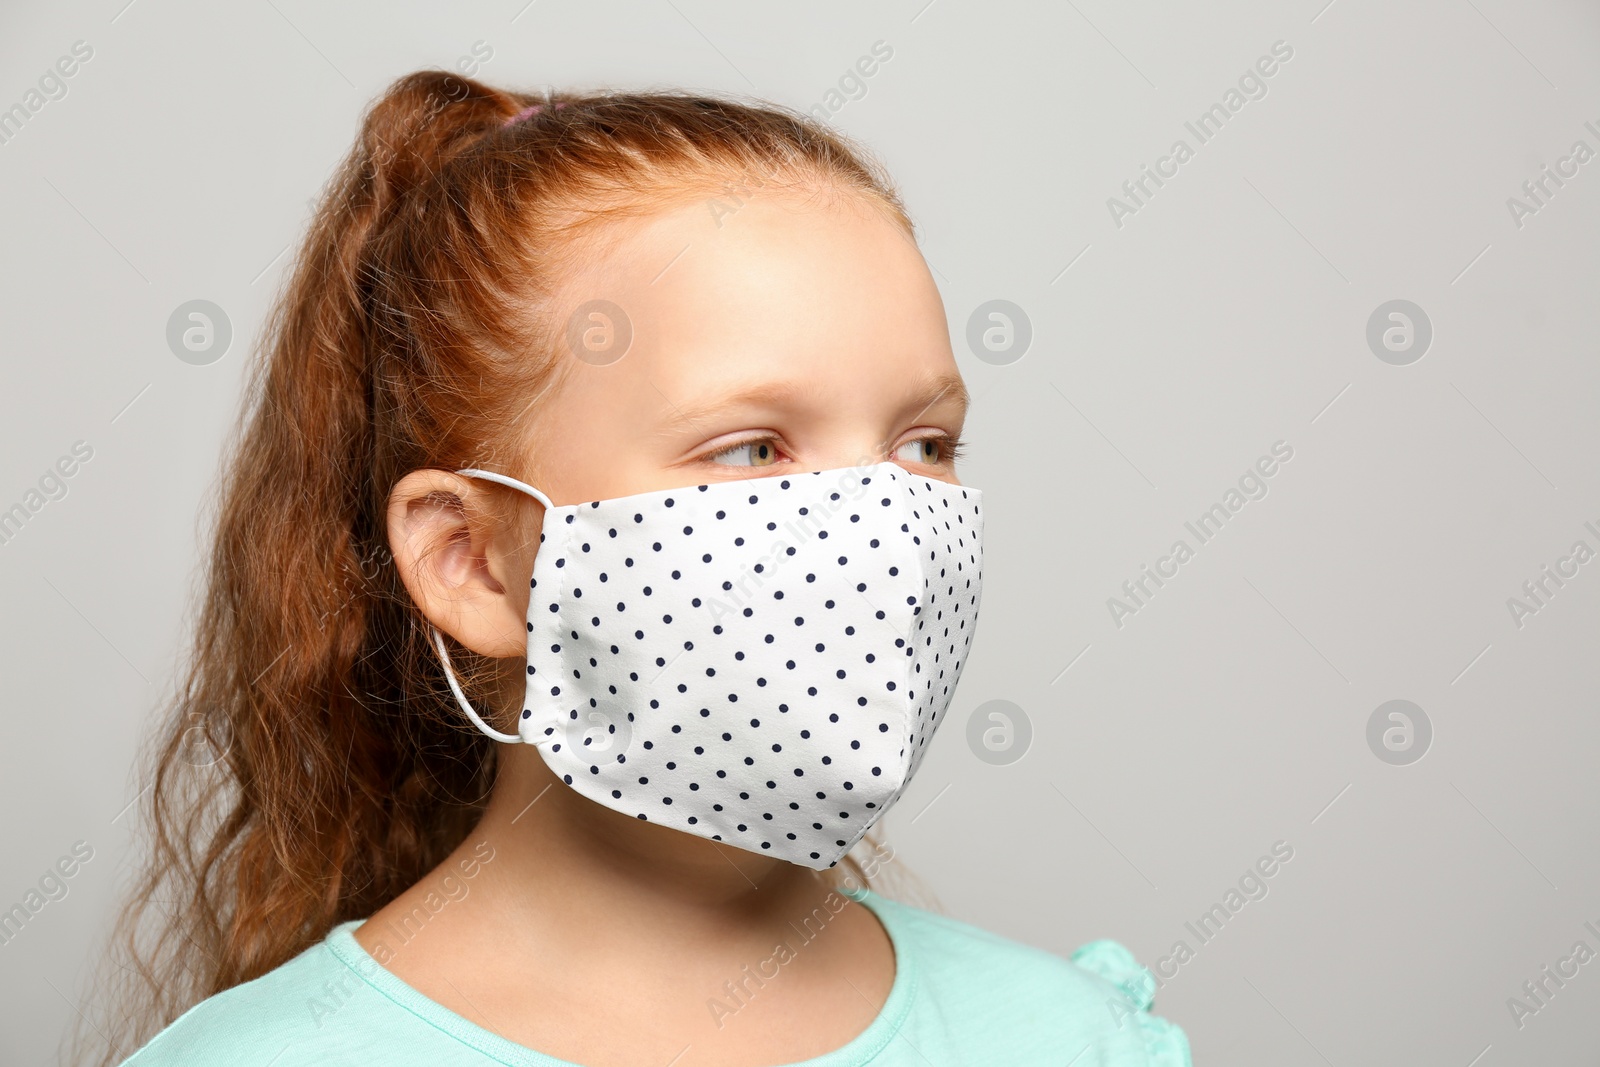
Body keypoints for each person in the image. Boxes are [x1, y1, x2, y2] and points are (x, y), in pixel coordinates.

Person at [88, 70, 1190, 1067]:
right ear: (473, 561)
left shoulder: (1069, 1037)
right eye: (753, 447)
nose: (886, 524)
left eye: (924, 445)